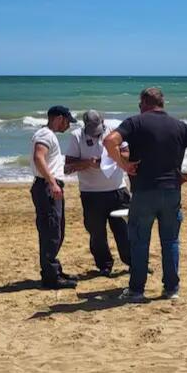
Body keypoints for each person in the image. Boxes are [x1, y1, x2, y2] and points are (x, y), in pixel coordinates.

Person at [104, 87, 187, 302]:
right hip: (172, 190)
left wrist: (123, 164)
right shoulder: (179, 126)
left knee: (139, 241)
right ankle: (171, 289)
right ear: (162, 104)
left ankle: (137, 290)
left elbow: (109, 141)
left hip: (144, 190)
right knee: (170, 241)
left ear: (144, 103)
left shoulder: (135, 122)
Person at [64, 109, 131, 277]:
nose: (95, 135)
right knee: (96, 232)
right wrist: (87, 163)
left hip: (117, 190)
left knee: (124, 230)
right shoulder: (76, 136)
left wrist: (109, 158)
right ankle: (104, 265)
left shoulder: (114, 131)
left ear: (103, 122)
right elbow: (68, 166)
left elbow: (127, 154)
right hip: (91, 193)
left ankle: (133, 262)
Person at [30, 105, 77, 289]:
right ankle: (51, 276)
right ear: (59, 118)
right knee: (51, 230)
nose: (68, 126)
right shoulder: (46, 135)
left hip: (48, 185)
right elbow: (38, 157)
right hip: (47, 187)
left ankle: (53, 270)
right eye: (67, 121)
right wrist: (52, 182)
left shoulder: (48, 135)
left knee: (56, 229)